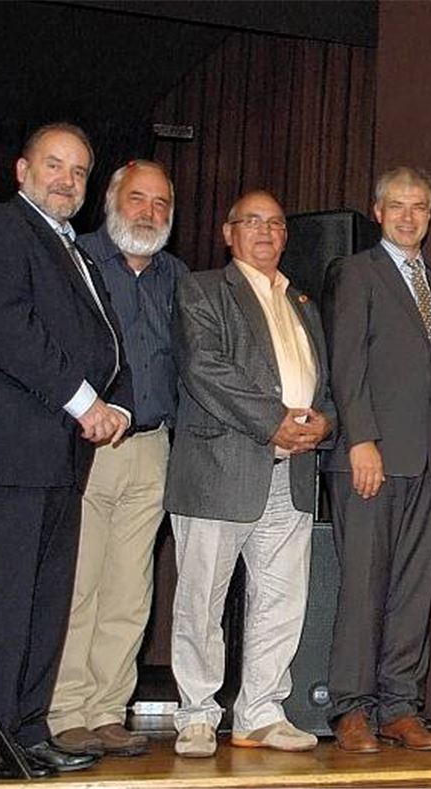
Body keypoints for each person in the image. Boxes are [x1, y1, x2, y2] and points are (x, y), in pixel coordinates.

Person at [0, 123, 132, 780]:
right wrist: (83, 400)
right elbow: (6, 327)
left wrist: (112, 400)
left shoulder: (76, 252)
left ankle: (26, 730)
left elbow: (98, 342)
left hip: (60, 459)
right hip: (9, 456)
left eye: (79, 171)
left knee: (43, 604)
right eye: (54, 165)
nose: (67, 180)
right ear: (21, 169)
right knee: (0, 604)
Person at [165, 190, 334, 758]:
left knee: (283, 599)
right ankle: (195, 715)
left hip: (293, 474)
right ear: (227, 232)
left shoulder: (304, 301)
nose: (265, 232)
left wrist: (325, 420)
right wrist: (274, 423)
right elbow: (204, 367)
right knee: (201, 601)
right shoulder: (202, 289)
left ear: (287, 235)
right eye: (252, 222)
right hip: (220, 467)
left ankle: (261, 711)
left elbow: (321, 381)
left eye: (276, 224)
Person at [47, 160, 187, 759]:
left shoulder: (177, 277)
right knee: (78, 583)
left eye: (160, 204)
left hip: (153, 449)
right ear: (111, 200)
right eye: (138, 199)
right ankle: (63, 711)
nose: (149, 213)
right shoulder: (76, 260)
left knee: (131, 590)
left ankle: (107, 710)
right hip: (87, 447)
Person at [321, 166, 431, 754]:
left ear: (430, 214)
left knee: (411, 589)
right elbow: (345, 364)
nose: (408, 216)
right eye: (397, 206)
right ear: (377, 211)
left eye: (420, 207)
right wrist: (360, 440)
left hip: (427, 464)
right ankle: (352, 709)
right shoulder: (356, 272)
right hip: (371, 458)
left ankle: (400, 706)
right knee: (362, 588)